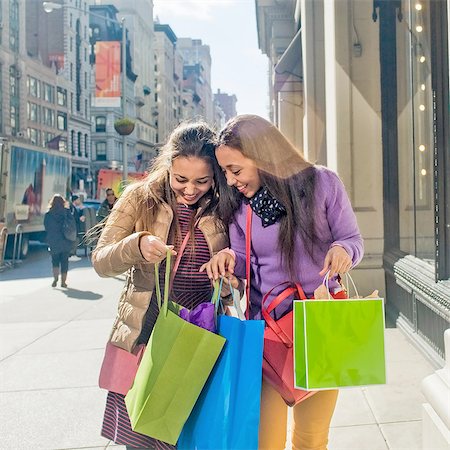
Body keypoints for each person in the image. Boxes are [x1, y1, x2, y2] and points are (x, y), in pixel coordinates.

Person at [201, 114, 364, 450]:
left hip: (320, 330)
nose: (230, 181)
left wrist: (342, 250)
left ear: (263, 155)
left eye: (235, 170)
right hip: (267, 338)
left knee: (312, 440)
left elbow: (352, 240)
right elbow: (246, 263)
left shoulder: (323, 183)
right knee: (265, 443)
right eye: (225, 172)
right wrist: (230, 262)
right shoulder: (239, 208)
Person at [92, 122, 238, 450]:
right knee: (141, 439)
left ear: (215, 175)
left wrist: (230, 268)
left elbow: (238, 275)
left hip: (200, 338)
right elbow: (101, 260)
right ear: (168, 166)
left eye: (202, 181)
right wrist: (137, 245)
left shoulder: (226, 206)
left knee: (191, 438)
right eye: (180, 179)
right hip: (145, 335)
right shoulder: (139, 198)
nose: (190, 189)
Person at [44, 194, 76, 288]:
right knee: (64, 262)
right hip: (65, 239)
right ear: (63, 202)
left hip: (53, 240)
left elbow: (46, 226)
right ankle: (63, 282)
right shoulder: (66, 212)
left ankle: (55, 279)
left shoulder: (48, 214)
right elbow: (72, 224)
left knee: (55, 261)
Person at [68, 194, 85, 261]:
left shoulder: (74, 207)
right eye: (78, 199)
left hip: (75, 228)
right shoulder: (71, 207)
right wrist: (79, 218)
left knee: (76, 239)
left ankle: (73, 254)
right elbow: (72, 217)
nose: (79, 201)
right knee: (74, 240)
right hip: (72, 228)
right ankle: (71, 254)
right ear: (75, 200)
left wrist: (81, 210)